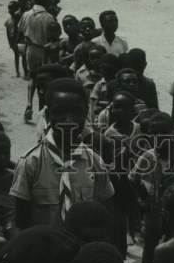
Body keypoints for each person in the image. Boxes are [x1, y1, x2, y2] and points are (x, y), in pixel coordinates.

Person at [11, 79, 115, 229]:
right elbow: (21, 221)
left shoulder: (95, 162)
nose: (68, 120)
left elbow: (106, 213)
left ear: (85, 113)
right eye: (59, 112)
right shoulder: (30, 163)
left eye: (76, 112)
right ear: (47, 114)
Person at [129, 112, 174, 263]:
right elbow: (133, 178)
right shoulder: (148, 156)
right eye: (153, 134)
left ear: (172, 133)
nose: (158, 138)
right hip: (154, 213)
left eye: (162, 133)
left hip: (173, 212)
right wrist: (143, 200)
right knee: (149, 252)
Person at [21, 0, 61, 123]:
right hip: (44, 50)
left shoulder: (26, 14)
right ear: (46, 1)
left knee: (32, 77)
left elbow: (21, 30)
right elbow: (52, 37)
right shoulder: (48, 17)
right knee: (44, 80)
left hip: (30, 49)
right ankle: (41, 110)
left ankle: (28, 103)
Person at [89, 54, 121, 125]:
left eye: (107, 69)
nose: (103, 71)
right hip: (102, 120)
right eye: (102, 68)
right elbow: (93, 105)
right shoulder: (100, 84)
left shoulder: (119, 83)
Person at [4, 1, 26, 77]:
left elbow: (23, 30)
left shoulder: (20, 18)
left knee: (23, 56)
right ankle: (17, 72)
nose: (10, 10)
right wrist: (10, 43)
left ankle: (25, 72)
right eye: (9, 9)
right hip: (13, 42)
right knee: (16, 56)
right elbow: (7, 33)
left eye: (11, 9)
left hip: (21, 41)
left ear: (17, 9)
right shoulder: (8, 20)